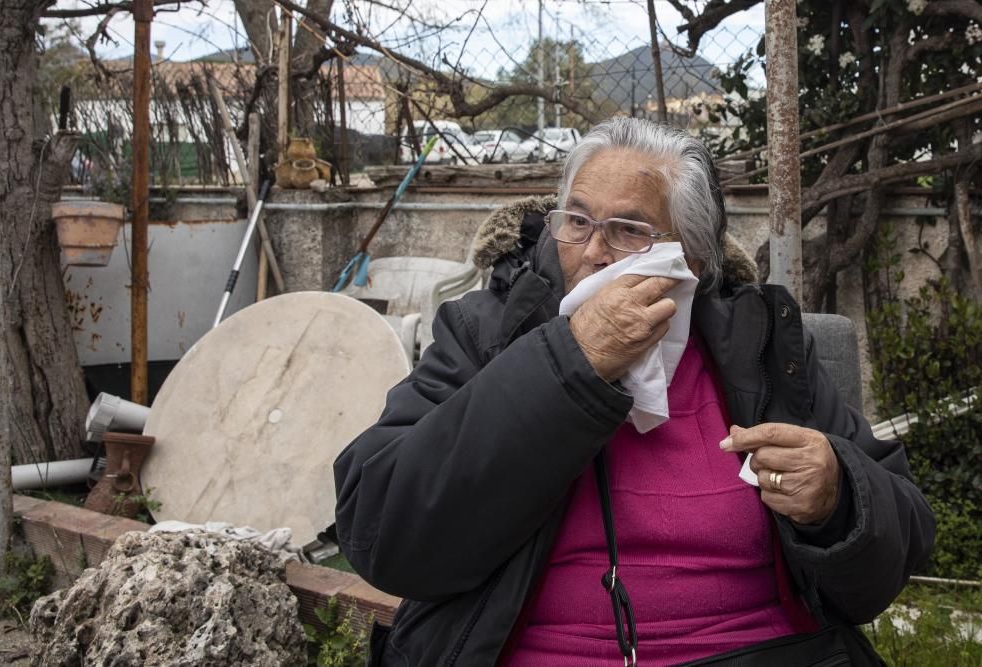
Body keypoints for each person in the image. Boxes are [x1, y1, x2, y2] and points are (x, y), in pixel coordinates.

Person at [334, 118, 935, 666]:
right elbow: (381, 532)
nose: (594, 253)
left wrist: (838, 498)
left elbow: (895, 544)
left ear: (691, 256)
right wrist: (573, 364)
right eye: (577, 222)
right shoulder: (486, 331)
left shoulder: (763, 345)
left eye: (627, 231)